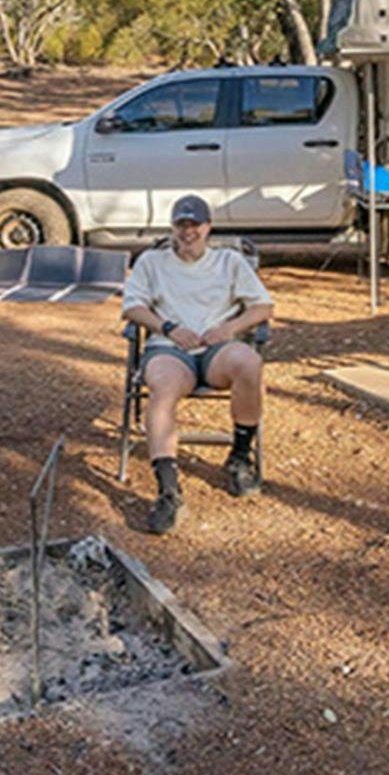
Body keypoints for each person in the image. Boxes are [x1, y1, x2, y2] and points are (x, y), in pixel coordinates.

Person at [120, 194, 274, 535]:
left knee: (249, 363)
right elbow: (132, 308)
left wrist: (228, 329)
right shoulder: (152, 261)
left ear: (208, 227)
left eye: (195, 225)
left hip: (217, 349)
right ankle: (169, 490)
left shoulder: (230, 262)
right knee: (161, 386)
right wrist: (169, 328)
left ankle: (239, 457)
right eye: (181, 225)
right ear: (172, 228)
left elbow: (262, 307)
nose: (188, 232)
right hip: (169, 348)